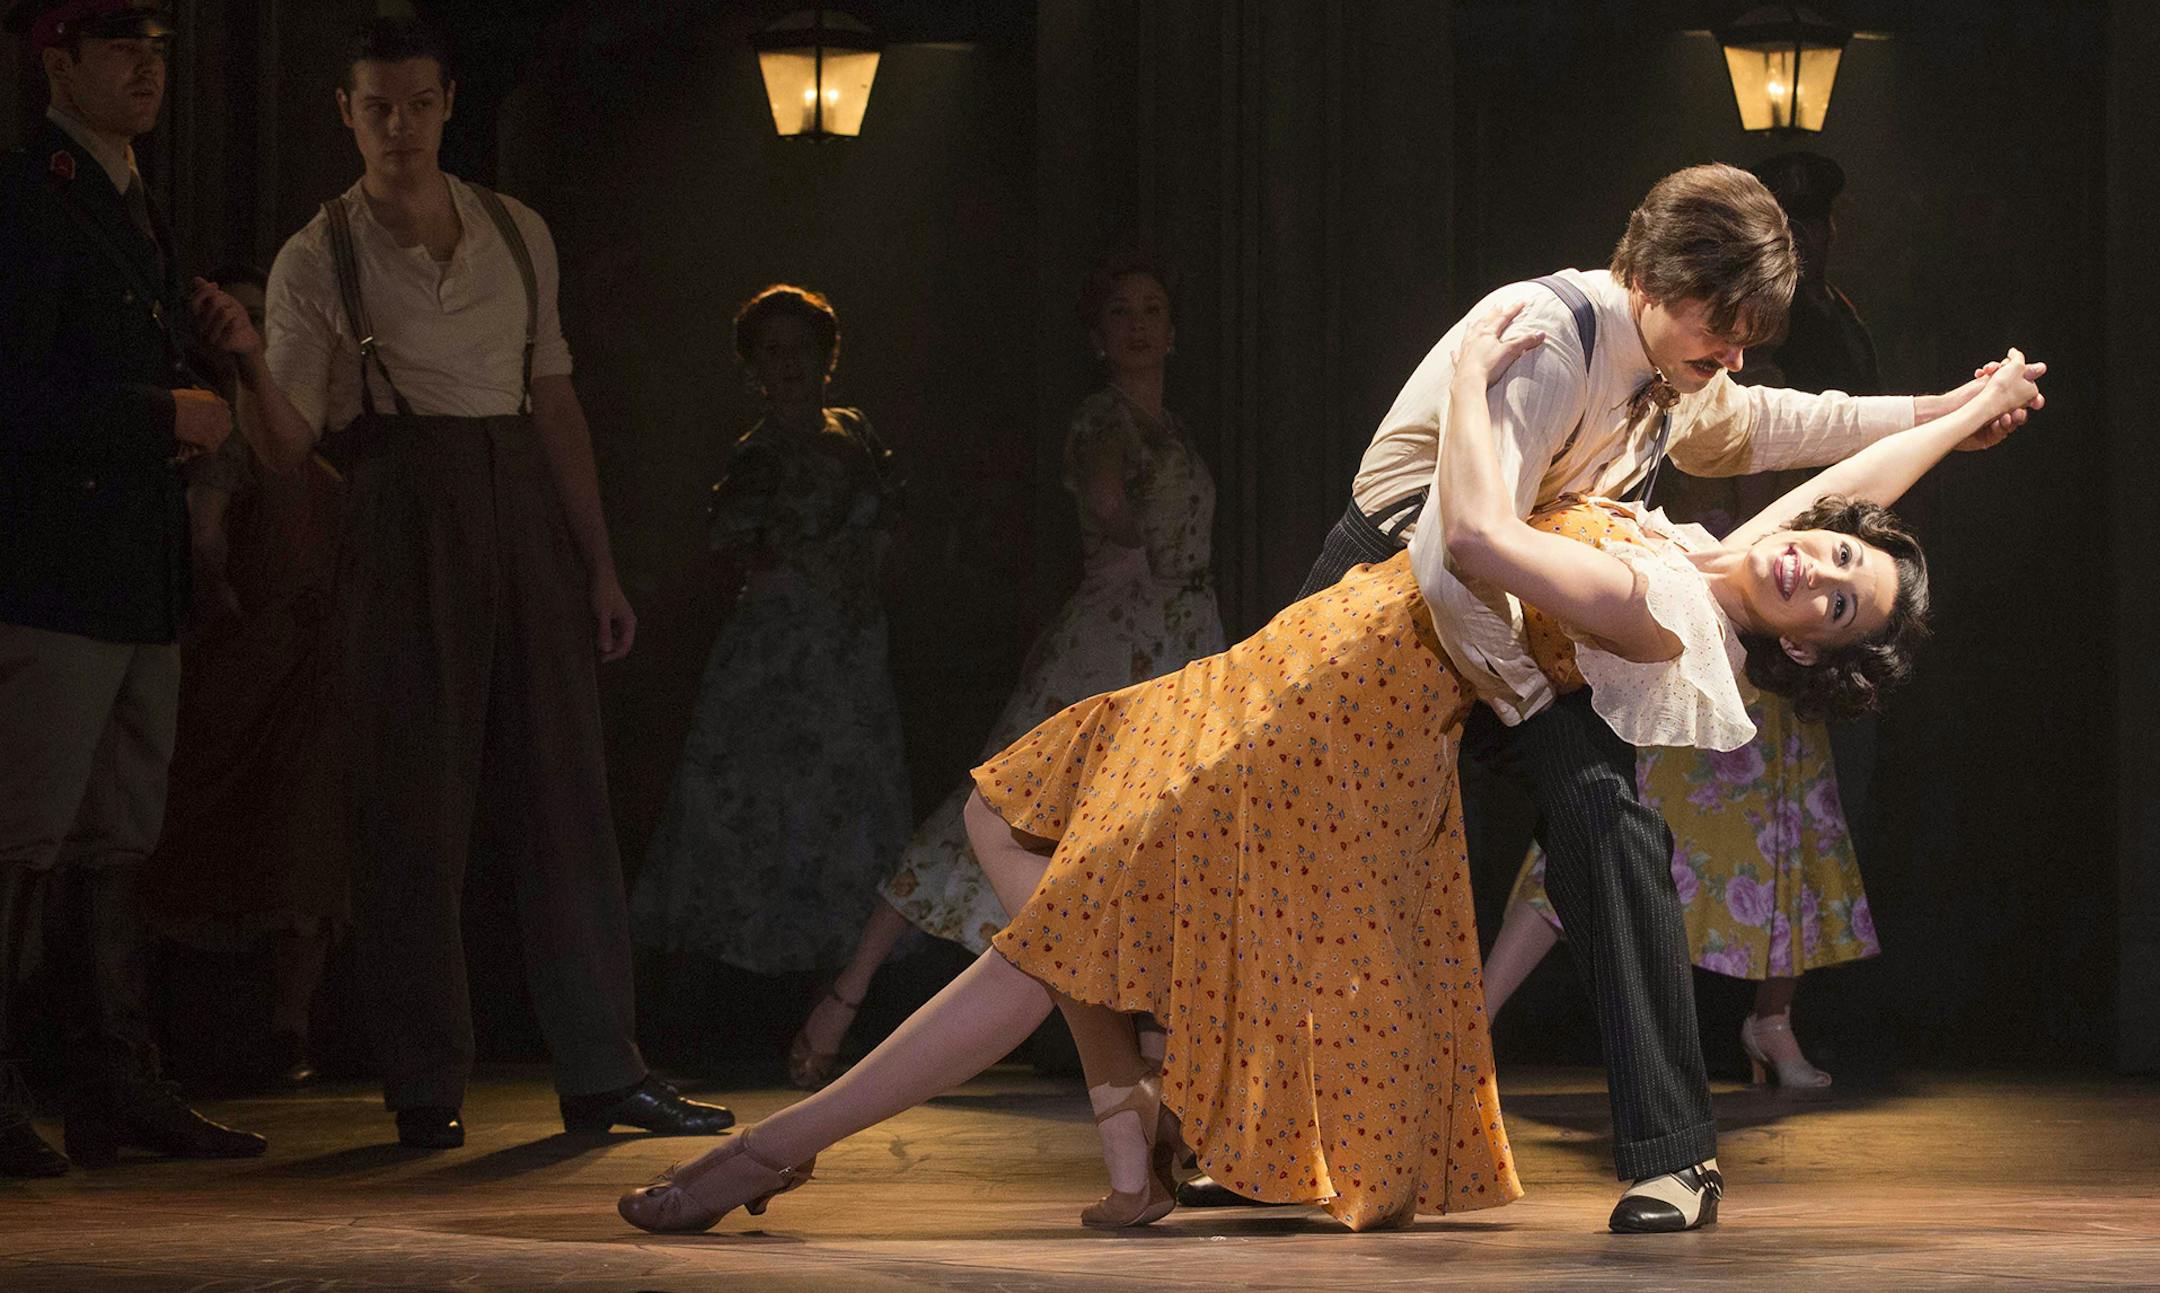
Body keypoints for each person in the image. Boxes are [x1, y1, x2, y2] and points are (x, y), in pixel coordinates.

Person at [610, 306, 2040, 1237]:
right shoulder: (1705, 550)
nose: (1815, 564)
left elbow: (1474, 536)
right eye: (1837, 551)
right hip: (1302, 669)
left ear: (1801, 649)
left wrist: (1481, 387)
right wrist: (1965, 413)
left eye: (1834, 598)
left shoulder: (1680, 622)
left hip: (1333, 738)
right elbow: (1832, 481)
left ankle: (780, 1148)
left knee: (1053, 932)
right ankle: (1126, 1146)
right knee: (1005, 819)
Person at [1204, 162, 2041, 1232]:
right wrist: (1526, 700)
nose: (1731, 357)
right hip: (1395, 595)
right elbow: (1465, 548)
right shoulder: (1553, 339)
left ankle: (1676, 1160)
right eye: (1722, 328)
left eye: (1745, 337)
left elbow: (1783, 435)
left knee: (1611, 825)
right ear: (1655, 273)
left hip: (1527, 622)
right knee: (1303, 854)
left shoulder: (1672, 381)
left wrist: (1950, 410)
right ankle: (1252, 1146)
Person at [262, 15, 729, 1148]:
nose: (398, 128)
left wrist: (599, 564)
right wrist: (239, 366)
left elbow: (555, 403)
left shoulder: (517, 231)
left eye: (417, 104)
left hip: (519, 495)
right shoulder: (316, 253)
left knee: (566, 792)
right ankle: (425, 1083)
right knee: (412, 802)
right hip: (402, 497)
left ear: (448, 102)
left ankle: (603, 1070)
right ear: (346, 112)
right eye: (376, 107)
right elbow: (288, 440)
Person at [0, 0, 313, 1175]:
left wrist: (217, 355)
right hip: (54, 576)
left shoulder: (132, 196)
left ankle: (114, 1089)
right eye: (121, 47)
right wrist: (159, 417)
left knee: (115, 838)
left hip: (136, 577)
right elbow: (15, 396)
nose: (147, 67)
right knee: (22, 838)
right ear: (58, 60)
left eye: (158, 48)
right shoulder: (27, 197)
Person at [782, 258, 1224, 1089]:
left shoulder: (1180, 431)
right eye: (1120, 310)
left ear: (1173, 332)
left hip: (1182, 640)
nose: (1137, 324)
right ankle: (845, 995)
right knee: (991, 809)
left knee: (1164, 834)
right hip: (1109, 646)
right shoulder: (1102, 420)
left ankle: (1165, 1054)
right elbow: (1106, 509)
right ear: (1099, 339)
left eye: (1152, 309)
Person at [630, 285, 910, 1021]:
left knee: (845, 812)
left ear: (827, 357)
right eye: (773, 352)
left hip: (848, 654)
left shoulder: (854, 432)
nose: (789, 365)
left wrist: (863, 577)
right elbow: (739, 545)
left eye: (801, 349)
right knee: (764, 811)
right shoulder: (756, 454)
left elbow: (890, 519)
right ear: (755, 367)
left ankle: (841, 991)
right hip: (777, 661)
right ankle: (748, 1001)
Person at [139, 264, 348, 1089]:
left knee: (308, 851)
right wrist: (236, 617)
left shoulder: (305, 431)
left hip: (311, 673)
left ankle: (288, 1026)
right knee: (196, 842)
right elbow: (207, 549)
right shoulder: (217, 439)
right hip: (241, 668)